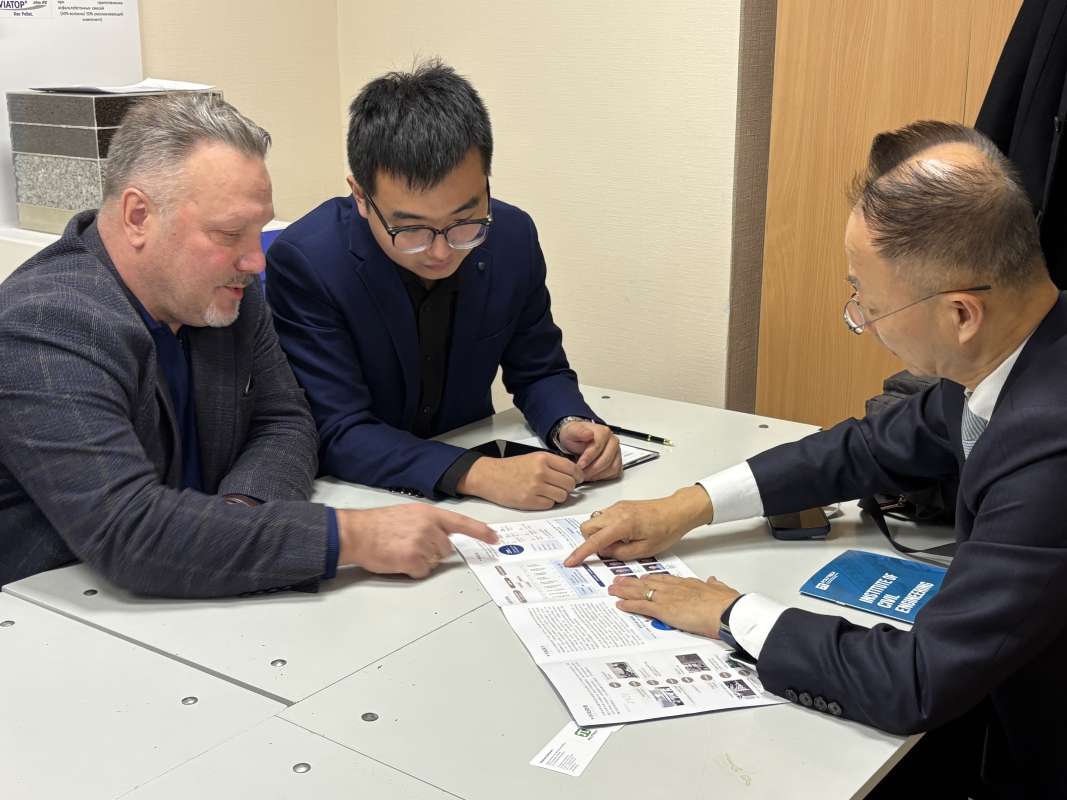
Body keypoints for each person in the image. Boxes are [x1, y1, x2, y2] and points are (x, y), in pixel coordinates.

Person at [566, 121, 1067, 797]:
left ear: (959, 315)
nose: (859, 318)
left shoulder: (1050, 449)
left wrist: (730, 613)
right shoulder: (1021, 347)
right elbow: (866, 447)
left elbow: (916, 680)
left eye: (868, 301)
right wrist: (686, 506)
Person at [0, 94, 495, 597]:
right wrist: (350, 537)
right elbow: (129, 532)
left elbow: (285, 422)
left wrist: (240, 519)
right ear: (138, 216)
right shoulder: (46, 324)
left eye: (257, 232)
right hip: (52, 610)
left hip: (196, 595)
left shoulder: (226, 292)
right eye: (230, 233)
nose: (255, 261)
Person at [265, 60, 621, 510]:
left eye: (464, 221)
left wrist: (569, 423)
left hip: (476, 489)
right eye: (410, 229)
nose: (441, 251)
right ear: (360, 196)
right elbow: (338, 429)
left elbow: (539, 370)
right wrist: (479, 473)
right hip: (361, 497)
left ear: (486, 183)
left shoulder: (512, 236)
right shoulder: (309, 262)